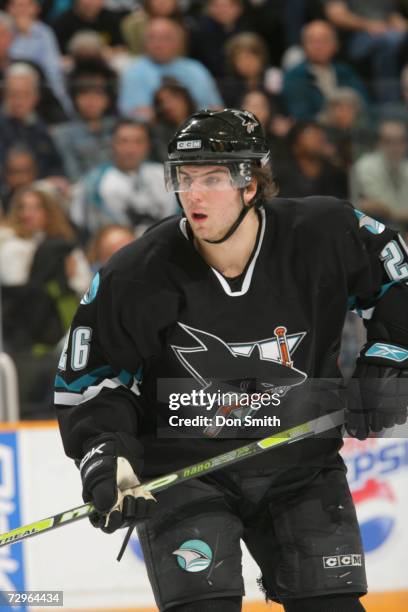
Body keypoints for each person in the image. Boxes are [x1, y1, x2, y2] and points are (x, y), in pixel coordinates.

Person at [55, 108, 408, 612]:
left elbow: (398, 282)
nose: (193, 194)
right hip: (183, 474)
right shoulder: (136, 272)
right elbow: (90, 378)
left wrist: (389, 360)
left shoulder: (325, 231)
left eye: (213, 178)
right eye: (184, 177)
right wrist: (105, 456)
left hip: (302, 466)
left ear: (251, 184)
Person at [69, 119, 175, 238]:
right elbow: (79, 222)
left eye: (138, 142)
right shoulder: (92, 182)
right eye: (123, 141)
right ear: (112, 144)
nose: (130, 149)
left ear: (148, 145)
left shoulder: (166, 175)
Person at [118, 17, 223, 121]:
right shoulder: (133, 72)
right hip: (153, 132)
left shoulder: (195, 69)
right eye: (151, 38)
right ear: (144, 43)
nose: (158, 44)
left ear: (179, 41)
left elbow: (215, 109)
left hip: (195, 129)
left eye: (165, 38)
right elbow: (131, 114)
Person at [282, 20, 369, 120]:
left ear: (336, 45)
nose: (318, 46)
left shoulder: (346, 73)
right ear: (303, 45)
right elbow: (301, 116)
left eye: (324, 40)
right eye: (312, 41)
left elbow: (365, 105)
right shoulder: (294, 77)